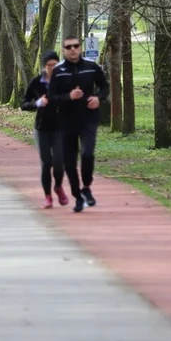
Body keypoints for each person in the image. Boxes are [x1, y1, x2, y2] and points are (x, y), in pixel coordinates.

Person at [50, 35, 109, 213]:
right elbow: (52, 98)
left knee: (87, 153)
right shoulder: (59, 71)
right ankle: (77, 195)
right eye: (69, 47)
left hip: (88, 118)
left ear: (80, 48)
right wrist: (69, 96)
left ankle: (87, 186)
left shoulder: (91, 67)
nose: (73, 49)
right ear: (63, 50)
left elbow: (104, 87)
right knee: (69, 162)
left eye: (76, 46)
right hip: (66, 121)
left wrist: (98, 98)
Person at [20, 51, 68, 209]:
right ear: (44, 66)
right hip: (42, 128)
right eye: (49, 66)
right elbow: (24, 104)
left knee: (59, 163)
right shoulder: (36, 83)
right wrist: (37, 104)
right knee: (47, 163)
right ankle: (48, 196)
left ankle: (58, 187)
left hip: (60, 128)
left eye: (55, 65)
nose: (52, 68)